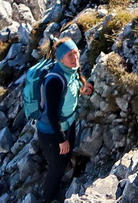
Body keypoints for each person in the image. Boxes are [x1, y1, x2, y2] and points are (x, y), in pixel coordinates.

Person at [36, 38, 94, 203]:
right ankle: (48, 198)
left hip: (68, 124)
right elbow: (52, 114)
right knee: (56, 167)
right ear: (61, 59)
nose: (75, 57)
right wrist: (62, 140)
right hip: (51, 132)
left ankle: (56, 190)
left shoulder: (72, 69)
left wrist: (83, 89)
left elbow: (71, 87)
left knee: (65, 160)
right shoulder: (54, 80)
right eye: (70, 55)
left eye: (76, 53)